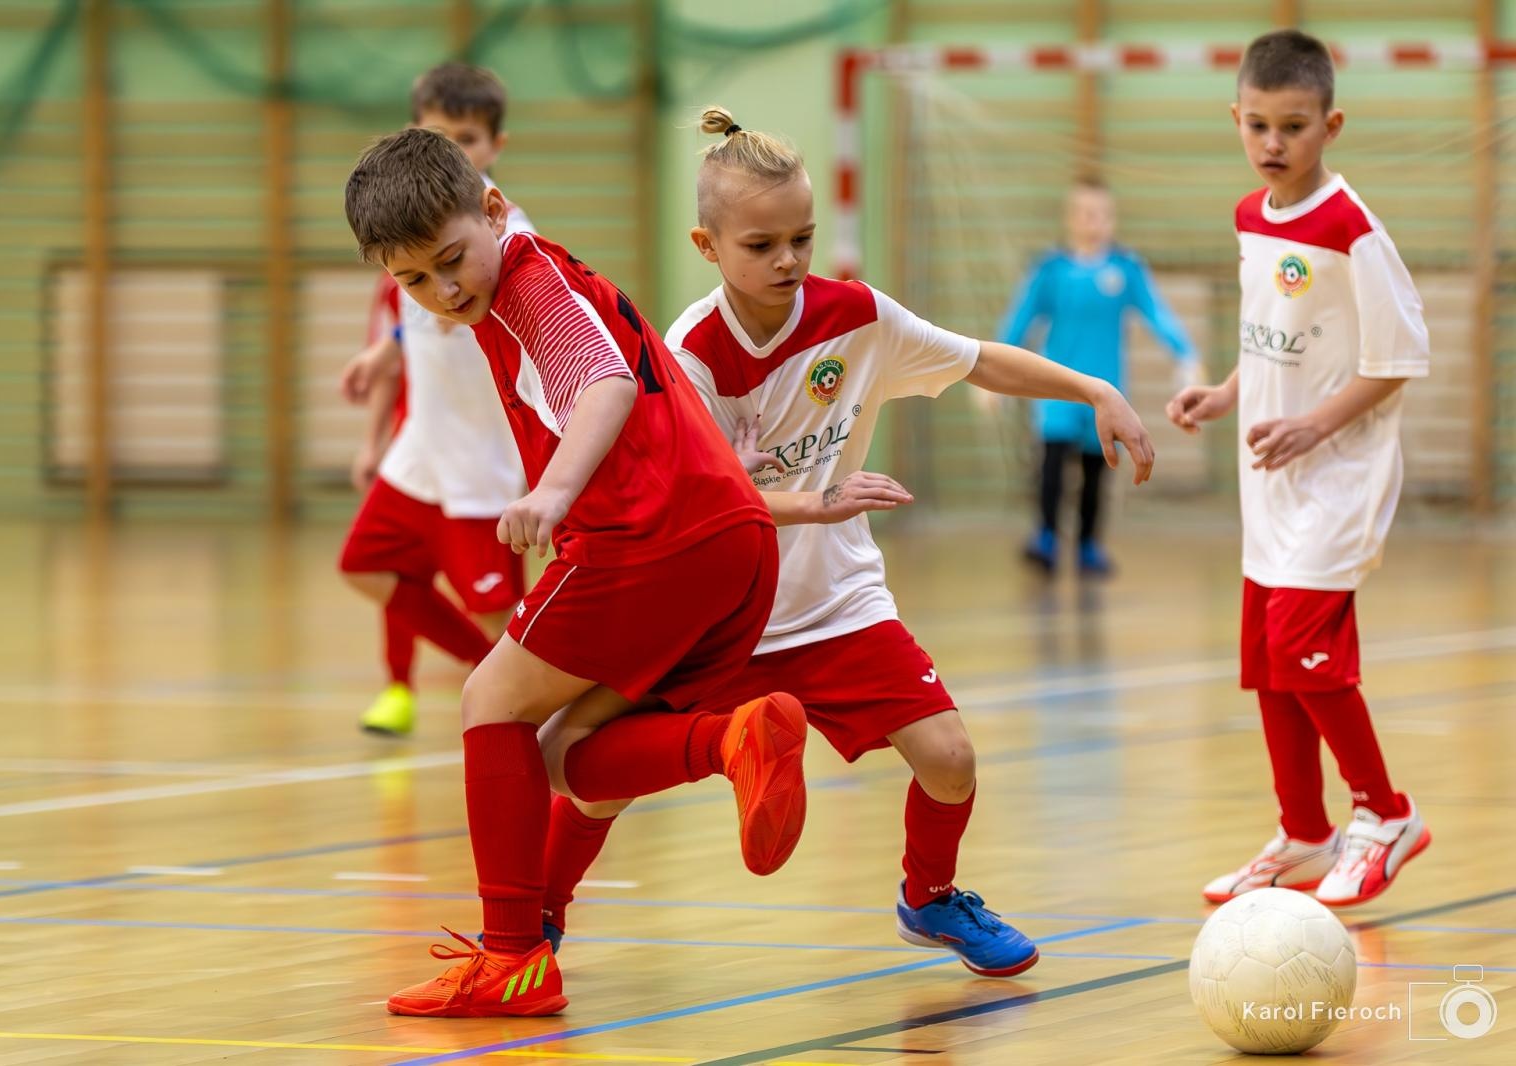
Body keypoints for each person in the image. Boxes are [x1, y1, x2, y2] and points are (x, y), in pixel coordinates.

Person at [532, 107, 1156, 979]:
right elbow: (696, 506)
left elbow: (978, 358)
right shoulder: (689, 354)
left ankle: (929, 899)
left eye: (802, 238)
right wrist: (814, 499)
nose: (787, 260)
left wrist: (1094, 390)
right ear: (707, 246)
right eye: (761, 245)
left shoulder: (856, 318)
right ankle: (538, 916)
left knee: (950, 760)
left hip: (836, 604)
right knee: (603, 783)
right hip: (721, 614)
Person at [343, 126, 809, 1017]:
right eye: (414, 281)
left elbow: (604, 382)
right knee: (574, 761)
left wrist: (554, 492)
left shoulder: (529, 286)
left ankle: (513, 957)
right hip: (731, 541)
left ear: (493, 211)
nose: (445, 291)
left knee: (490, 702)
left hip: (645, 542)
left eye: (451, 261)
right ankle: (729, 744)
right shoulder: (536, 281)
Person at [1166, 28, 1430, 907]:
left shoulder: (1353, 231)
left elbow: (1396, 361)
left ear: (1331, 125)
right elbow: (1274, 342)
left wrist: (1316, 425)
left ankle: (1387, 814)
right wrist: (1224, 393)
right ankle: (1306, 832)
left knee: (1301, 651)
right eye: (1258, 125)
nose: (1273, 143)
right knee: (1268, 661)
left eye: (1294, 126)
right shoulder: (1251, 217)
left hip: (1339, 479)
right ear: (1236, 119)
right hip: (1271, 484)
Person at [336, 63, 532, 736]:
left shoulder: (503, 230)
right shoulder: (418, 232)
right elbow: (417, 318)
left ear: (496, 145)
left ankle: (546, 711)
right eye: (441, 136)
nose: (456, 150)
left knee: (502, 617)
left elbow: (469, 311)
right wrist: (385, 351)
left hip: (481, 462)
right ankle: (490, 674)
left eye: (468, 138)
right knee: (364, 565)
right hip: (421, 450)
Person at [1002, 176, 1197, 575]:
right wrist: (993, 371)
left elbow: (1157, 313)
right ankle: (1046, 536)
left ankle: (1089, 544)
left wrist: (1186, 355)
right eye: (1086, 213)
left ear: (1112, 219)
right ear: (1071, 217)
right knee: (1052, 464)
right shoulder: (1051, 270)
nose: (1094, 222)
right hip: (1056, 389)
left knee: (1096, 468)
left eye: (1102, 214)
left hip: (1106, 391)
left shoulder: (1125, 270)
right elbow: (1020, 319)